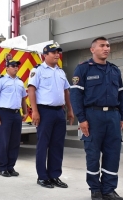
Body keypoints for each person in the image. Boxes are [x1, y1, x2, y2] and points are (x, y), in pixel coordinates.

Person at [70, 37, 123, 200]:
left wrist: (122, 116)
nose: (106, 48)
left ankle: (109, 190)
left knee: (113, 154)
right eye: (102, 45)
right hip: (92, 116)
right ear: (92, 49)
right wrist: (81, 119)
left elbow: (121, 96)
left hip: (113, 116)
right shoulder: (83, 69)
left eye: (108, 45)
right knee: (93, 154)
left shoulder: (115, 70)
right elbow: (75, 96)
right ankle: (95, 190)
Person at [28, 44, 74, 188]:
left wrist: (70, 110)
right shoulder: (38, 70)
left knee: (57, 145)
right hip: (44, 111)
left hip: (59, 112)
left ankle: (54, 175)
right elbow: (31, 90)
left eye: (58, 52)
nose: (57, 55)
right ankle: (42, 177)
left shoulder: (61, 72)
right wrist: (34, 111)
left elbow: (66, 91)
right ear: (44, 55)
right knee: (43, 144)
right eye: (53, 52)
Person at [0, 60, 28, 177]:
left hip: (16, 115)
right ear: (6, 68)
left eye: (17, 66)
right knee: (3, 142)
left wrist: (26, 112)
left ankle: (11, 167)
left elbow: (23, 99)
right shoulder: (1, 80)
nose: (15, 68)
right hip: (4, 114)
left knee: (15, 142)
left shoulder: (20, 82)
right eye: (13, 66)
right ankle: (3, 168)